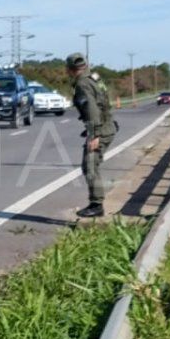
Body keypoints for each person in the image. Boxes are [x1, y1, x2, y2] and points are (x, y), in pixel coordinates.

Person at [67, 52, 115, 218]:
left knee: (90, 166)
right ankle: (96, 203)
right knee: (91, 165)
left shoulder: (82, 84)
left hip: (100, 130)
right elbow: (104, 102)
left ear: (71, 70)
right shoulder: (95, 78)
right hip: (107, 125)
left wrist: (94, 134)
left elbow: (92, 110)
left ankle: (96, 205)